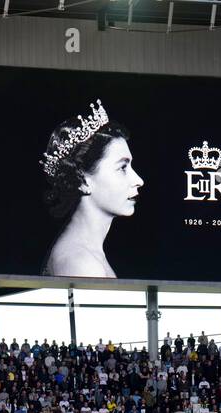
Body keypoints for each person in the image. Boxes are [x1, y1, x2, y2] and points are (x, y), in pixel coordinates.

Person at [41, 100, 143, 279]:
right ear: (83, 181)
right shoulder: (80, 263)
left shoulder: (88, 253)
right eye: (122, 168)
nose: (139, 180)